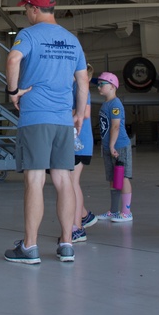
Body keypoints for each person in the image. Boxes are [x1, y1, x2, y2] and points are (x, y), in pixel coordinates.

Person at [3, 0, 87, 265]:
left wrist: (13, 91)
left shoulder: (27, 35)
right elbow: (83, 81)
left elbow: (14, 59)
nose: (26, 13)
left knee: (35, 181)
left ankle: (30, 246)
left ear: (35, 9)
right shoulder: (72, 40)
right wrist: (80, 113)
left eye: (26, 8)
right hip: (63, 118)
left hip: (36, 117)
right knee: (64, 181)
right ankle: (66, 243)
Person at [94, 72, 133, 223]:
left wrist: (111, 145)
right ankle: (114, 210)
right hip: (108, 147)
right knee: (112, 178)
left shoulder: (115, 104)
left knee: (123, 177)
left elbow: (115, 127)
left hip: (119, 146)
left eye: (102, 84)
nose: (99, 87)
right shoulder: (105, 103)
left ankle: (126, 211)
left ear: (112, 86)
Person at [69, 65, 97, 242]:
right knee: (69, 183)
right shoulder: (73, 87)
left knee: (72, 184)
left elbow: (84, 113)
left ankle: (77, 227)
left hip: (79, 143)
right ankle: (84, 216)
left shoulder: (80, 87)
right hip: (74, 142)